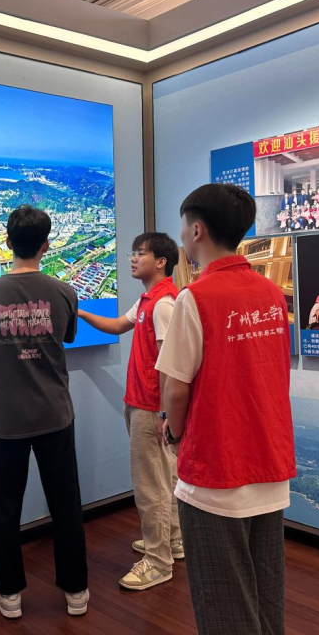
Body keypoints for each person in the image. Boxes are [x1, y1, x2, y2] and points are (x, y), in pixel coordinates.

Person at [156, 184, 296, 635]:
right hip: (269, 462)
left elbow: (175, 390)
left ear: (197, 230)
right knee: (266, 595)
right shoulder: (271, 293)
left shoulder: (195, 297)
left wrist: (175, 435)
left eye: (183, 227)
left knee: (223, 606)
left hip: (216, 469)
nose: (182, 236)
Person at [0, 205, 89, 620]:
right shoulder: (64, 292)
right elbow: (66, 337)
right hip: (55, 416)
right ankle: (77, 593)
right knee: (66, 505)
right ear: (46, 245)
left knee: (5, 509)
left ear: (7, 242)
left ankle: (10, 595)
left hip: (5, 420)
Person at [79, 233, 183, 590]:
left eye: (141, 253)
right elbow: (116, 325)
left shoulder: (164, 304)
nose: (133, 259)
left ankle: (158, 561)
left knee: (150, 485)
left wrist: (165, 413)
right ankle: (171, 540)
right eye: (133, 253)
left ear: (161, 262)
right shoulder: (147, 300)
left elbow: (170, 363)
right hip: (140, 403)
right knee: (164, 477)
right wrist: (80, 311)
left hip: (151, 407)